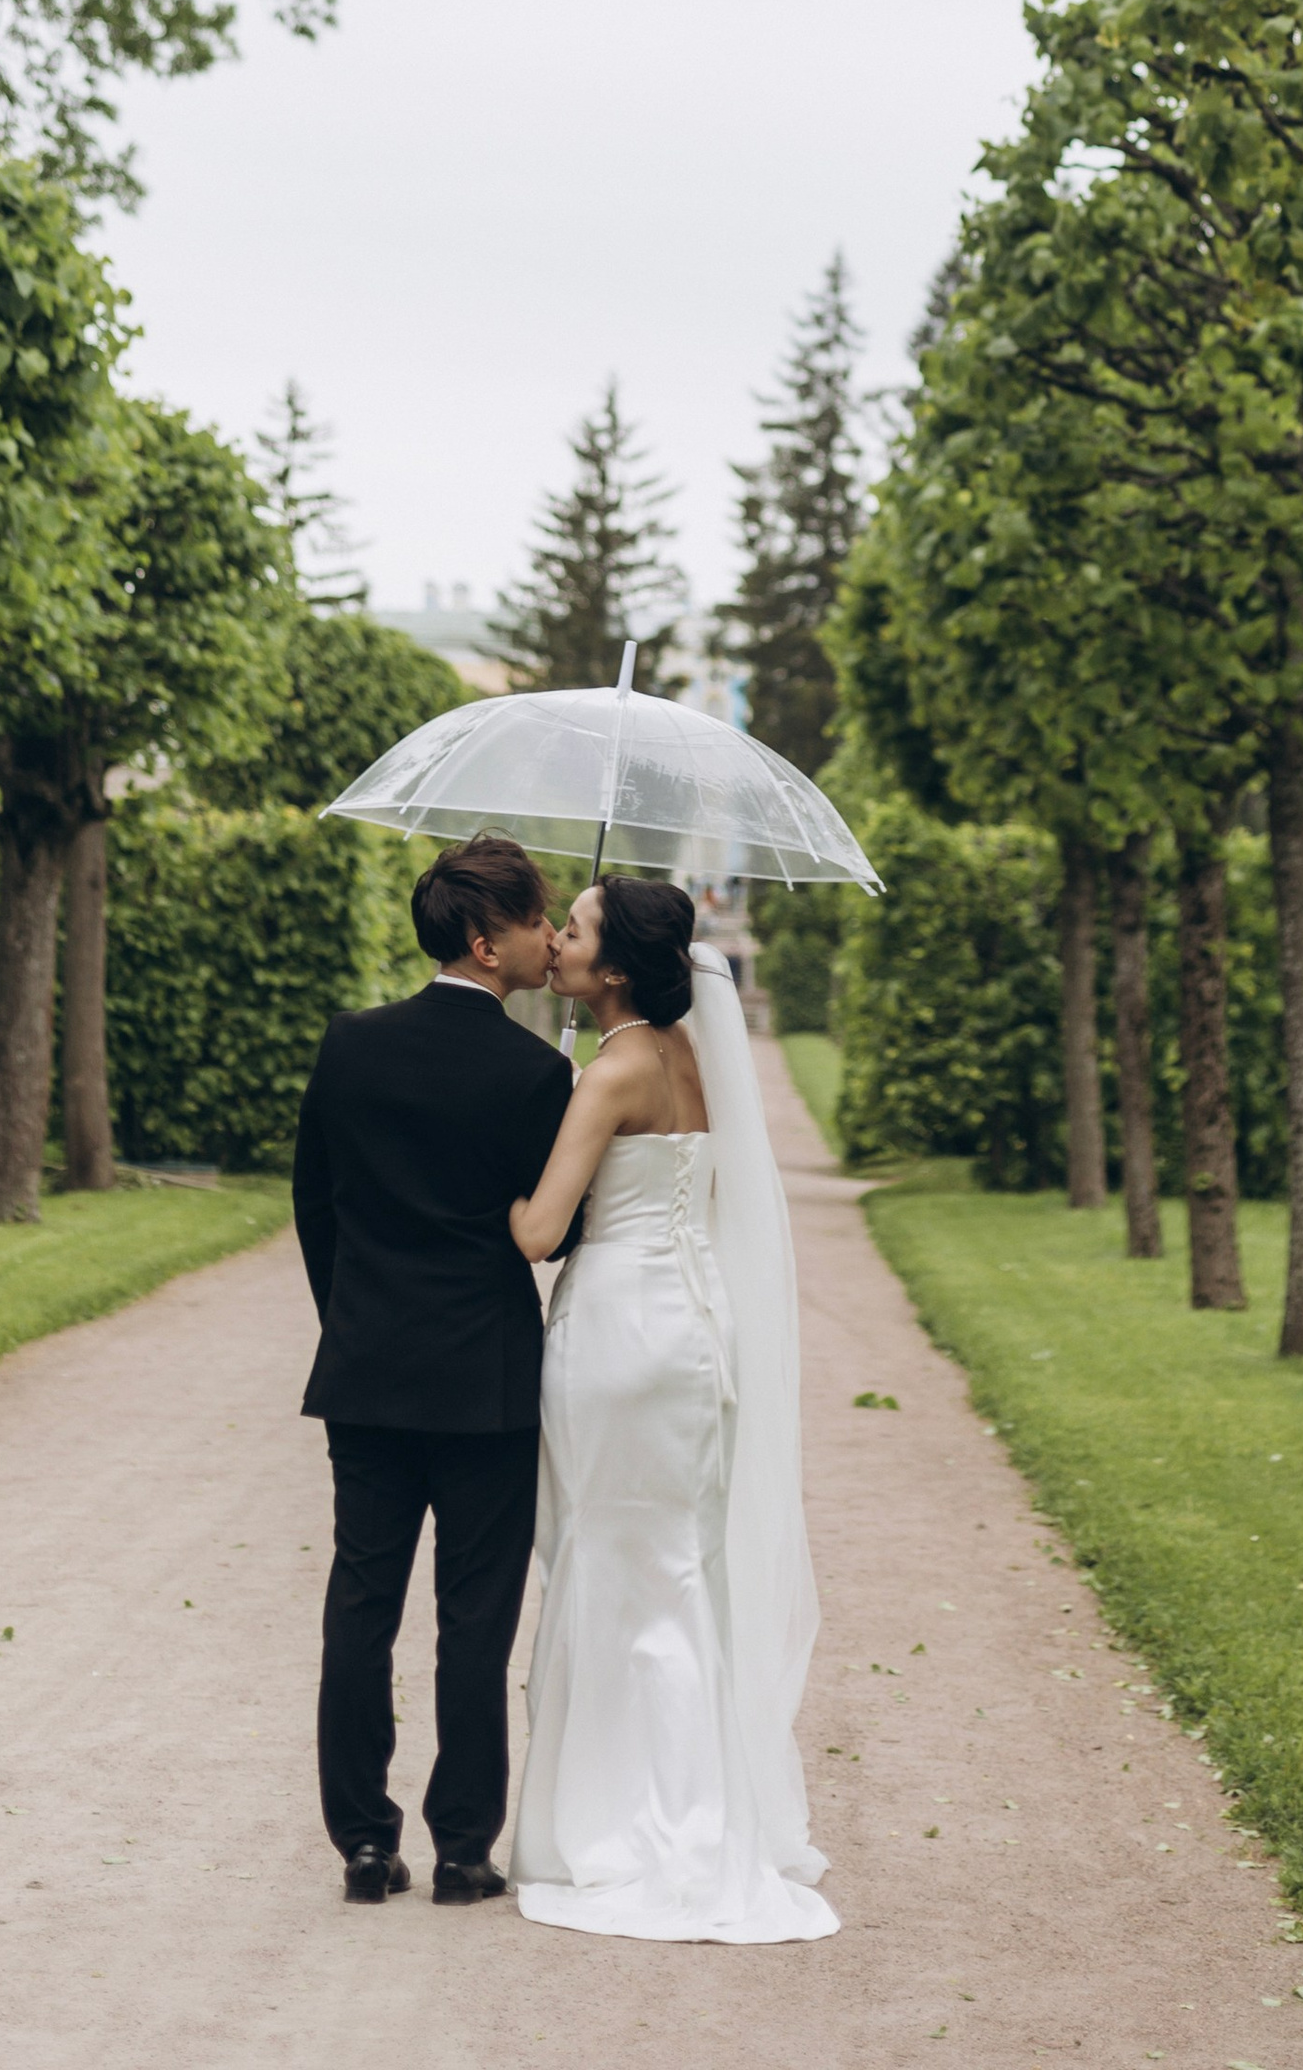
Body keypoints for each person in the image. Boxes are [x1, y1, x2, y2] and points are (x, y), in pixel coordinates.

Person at [506, 874, 836, 1941]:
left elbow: (539, 1233)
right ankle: (702, 1811)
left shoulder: (611, 1073)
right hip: (695, 1337)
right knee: (681, 1570)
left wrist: (493, 1183)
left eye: (573, 929)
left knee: (604, 1563)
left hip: (615, 1332)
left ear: (611, 970)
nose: (555, 938)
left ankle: (615, 1822)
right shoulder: (689, 1056)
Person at [291, 831, 570, 1908]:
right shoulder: (537, 1074)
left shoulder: (350, 1045)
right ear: (484, 943)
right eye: (534, 919)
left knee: (361, 1602)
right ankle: (462, 1849)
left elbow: (315, 1207)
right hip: (486, 1383)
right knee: (475, 1617)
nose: (550, 936)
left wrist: (354, 1320)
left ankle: (363, 1843)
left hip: (367, 1371)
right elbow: (559, 1228)